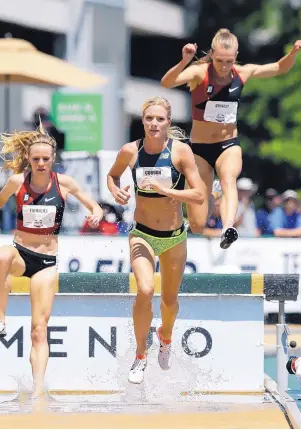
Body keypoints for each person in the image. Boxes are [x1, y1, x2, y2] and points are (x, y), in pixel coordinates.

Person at [0, 124, 103, 398]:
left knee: (39, 330)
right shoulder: (18, 182)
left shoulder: (64, 183)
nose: (40, 164)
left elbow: (93, 204)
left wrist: (96, 213)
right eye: (36, 159)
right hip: (20, 254)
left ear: (53, 159)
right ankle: (0, 320)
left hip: (47, 262)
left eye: (46, 159)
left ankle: (38, 388)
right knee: (2, 254)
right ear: (28, 158)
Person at [161, 28, 301, 249]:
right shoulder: (200, 73)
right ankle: (213, 194)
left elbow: (279, 68)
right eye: (220, 60)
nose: (224, 66)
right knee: (197, 224)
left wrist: (293, 53)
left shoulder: (242, 72)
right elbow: (167, 82)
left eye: (229, 61)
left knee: (229, 178)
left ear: (236, 55)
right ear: (211, 54)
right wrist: (184, 61)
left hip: (228, 144)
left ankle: (228, 227)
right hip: (200, 149)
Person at [107, 96, 204, 384]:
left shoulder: (180, 153)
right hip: (142, 235)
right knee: (145, 290)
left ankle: (166, 336)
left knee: (170, 301)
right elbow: (112, 176)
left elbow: (199, 194)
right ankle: (140, 355)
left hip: (174, 237)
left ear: (168, 123)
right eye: (149, 118)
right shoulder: (130, 151)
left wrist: (168, 191)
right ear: (143, 121)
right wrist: (115, 191)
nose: (153, 123)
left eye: (160, 119)